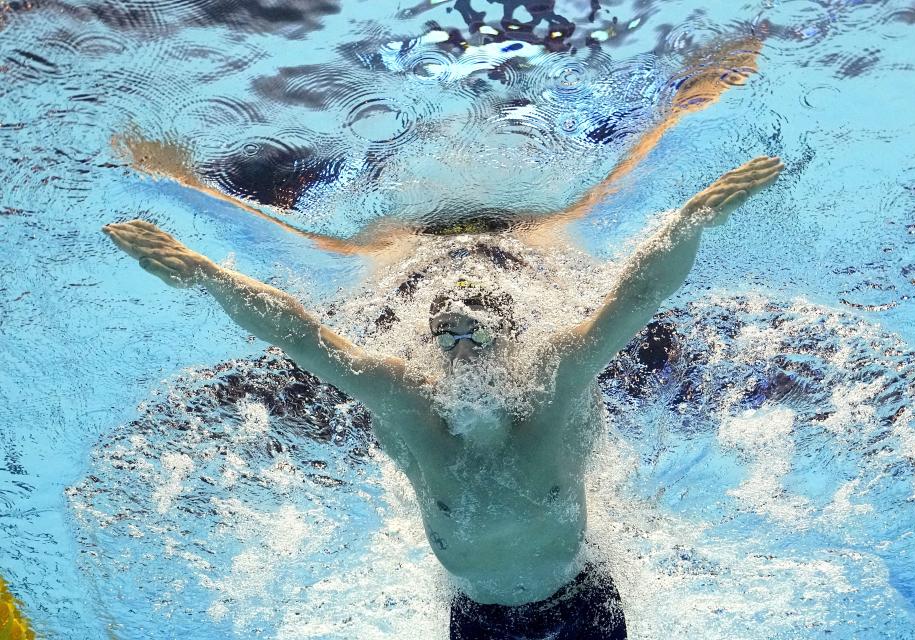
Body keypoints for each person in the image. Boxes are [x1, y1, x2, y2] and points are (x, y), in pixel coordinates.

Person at [103, 35, 781, 640]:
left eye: (469, 338)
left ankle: (699, 93)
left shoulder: (551, 385)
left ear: (509, 337)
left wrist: (691, 219)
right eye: (447, 338)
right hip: (476, 619)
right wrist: (199, 272)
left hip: (581, 603)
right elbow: (301, 336)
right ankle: (174, 176)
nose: (456, 353)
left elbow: (635, 300)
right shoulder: (405, 399)